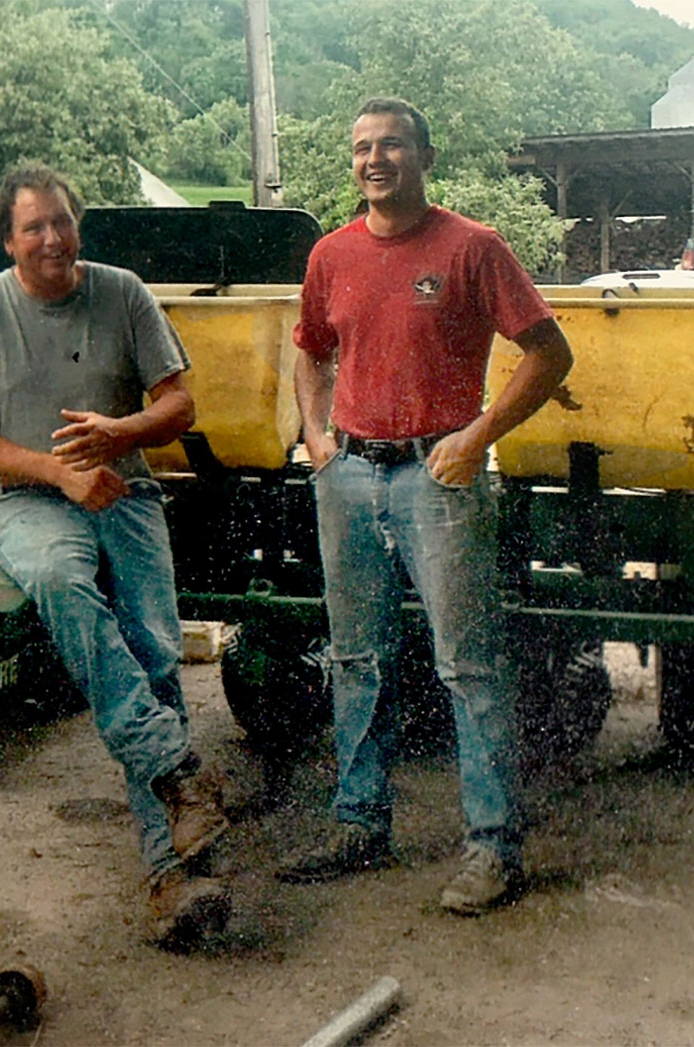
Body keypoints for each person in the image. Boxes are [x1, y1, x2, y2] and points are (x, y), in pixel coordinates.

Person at [276, 98, 574, 915]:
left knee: (467, 666)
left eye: (393, 145)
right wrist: (316, 437)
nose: (376, 160)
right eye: (363, 148)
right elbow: (308, 349)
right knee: (356, 658)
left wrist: (476, 437)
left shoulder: (472, 247)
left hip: (438, 480)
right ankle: (359, 824)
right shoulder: (330, 254)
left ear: (426, 155)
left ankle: (493, 848)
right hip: (349, 477)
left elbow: (549, 353)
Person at [0, 164, 233, 948]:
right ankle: (177, 772)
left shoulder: (123, 292)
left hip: (124, 492)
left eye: (62, 222)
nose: (52, 239)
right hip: (30, 499)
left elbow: (179, 403)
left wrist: (121, 433)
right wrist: (59, 469)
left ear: (77, 225)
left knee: (157, 654)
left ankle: (173, 867)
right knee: (64, 579)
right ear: (8, 238)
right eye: (34, 227)